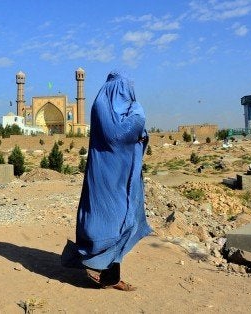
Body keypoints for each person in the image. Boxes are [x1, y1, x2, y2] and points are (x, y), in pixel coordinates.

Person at [61, 71, 152, 291]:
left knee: (125, 220)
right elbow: (119, 134)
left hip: (122, 174)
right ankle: (96, 266)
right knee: (107, 220)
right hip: (106, 175)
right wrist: (138, 117)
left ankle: (109, 275)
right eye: (126, 89)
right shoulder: (104, 107)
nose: (129, 93)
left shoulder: (109, 106)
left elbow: (133, 132)